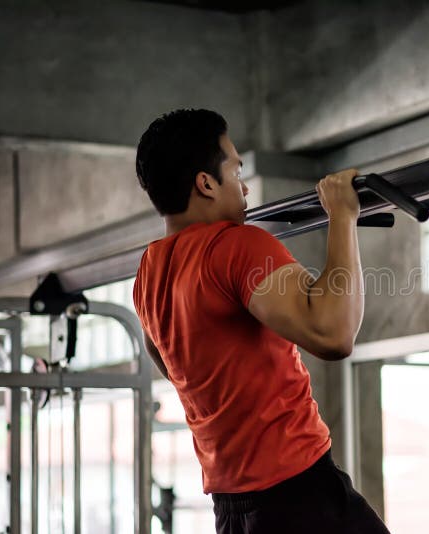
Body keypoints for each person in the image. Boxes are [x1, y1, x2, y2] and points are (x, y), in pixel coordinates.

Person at [133, 109, 390, 533]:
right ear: (206, 183)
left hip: (232, 512)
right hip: (300, 498)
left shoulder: (148, 274)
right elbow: (334, 333)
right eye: (236, 170)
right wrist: (342, 217)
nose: (245, 185)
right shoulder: (236, 245)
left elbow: (162, 357)